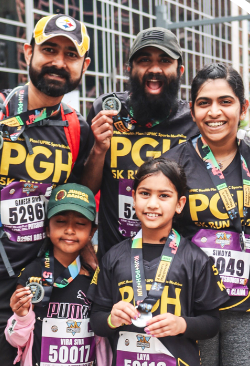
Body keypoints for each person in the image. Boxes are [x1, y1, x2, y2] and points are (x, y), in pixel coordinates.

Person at [0, 15, 100, 366]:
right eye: (49, 49)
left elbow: (80, 196)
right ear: (27, 52)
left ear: (83, 66)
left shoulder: (77, 128)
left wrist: (99, 153)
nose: (59, 62)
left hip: (47, 280)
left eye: (70, 54)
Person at [157, 64, 250, 366]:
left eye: (225, 101)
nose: (214, 112)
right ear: (192, 110)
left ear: (244, 108)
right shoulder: (172, 164)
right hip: (191, 303)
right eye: (204, 103)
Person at [94, 157, 226, 366]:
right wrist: (111, 319)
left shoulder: (196, 259)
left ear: (180, 204)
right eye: (145, 193)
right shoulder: (113, 257)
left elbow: (212, 324)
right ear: (133, 198)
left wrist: (182, 324)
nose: (153, 204)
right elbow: (96, 319)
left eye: (164, 195)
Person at [92, 27, 197, 253]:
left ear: (180, 70)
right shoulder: (108, 111)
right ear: (130, 69)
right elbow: (87, 188)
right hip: (114, 258)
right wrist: (99, 149)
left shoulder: (194, 120)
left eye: (165, 61)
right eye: (144, 60)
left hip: (174, 261)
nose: (154, 69)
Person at [7, 184, 108, 366]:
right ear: (47, 228)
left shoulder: (97, 276)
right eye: (60, 221)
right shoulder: (32, 273)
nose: (70, 230)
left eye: (80, 223)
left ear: (92, 232)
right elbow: (15, 339)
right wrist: (21, 317)